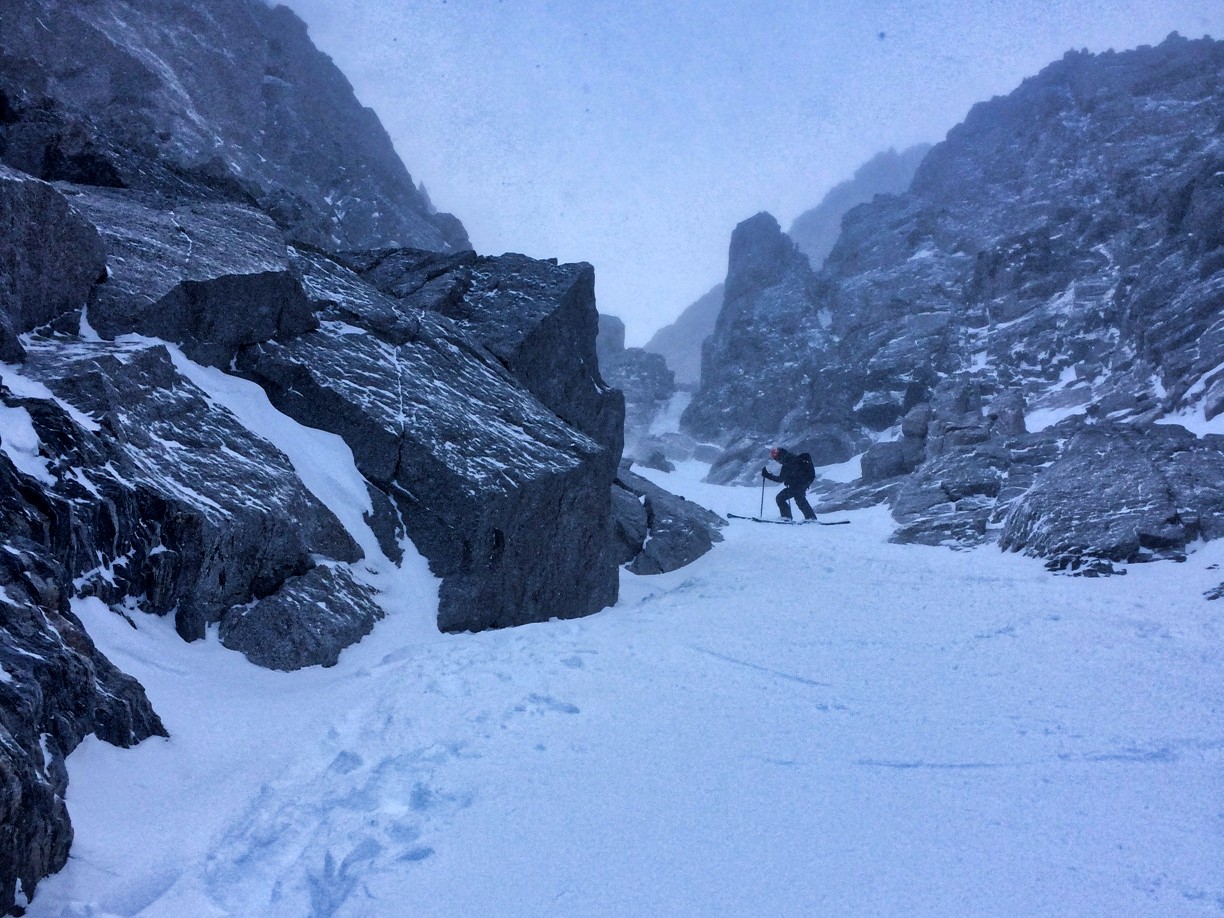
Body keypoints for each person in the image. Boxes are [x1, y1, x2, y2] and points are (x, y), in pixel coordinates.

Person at [762, 446, 817, 521]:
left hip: (798, 485)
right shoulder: (792, 460)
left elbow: (780, 479)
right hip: (802, 484)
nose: (777, 461)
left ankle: (787, 518)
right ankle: (810, 518)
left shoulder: (788, 463)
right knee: (799, 500)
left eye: (777, 459)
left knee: (781, 498)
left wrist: (767, 475)